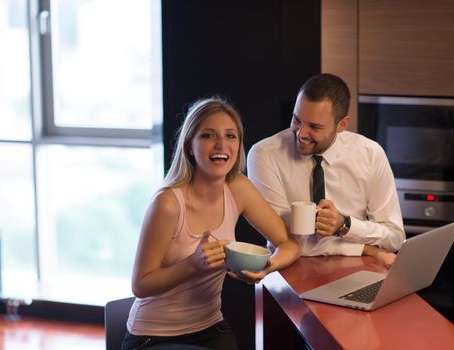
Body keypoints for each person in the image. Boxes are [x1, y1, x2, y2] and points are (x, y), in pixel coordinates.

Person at [122, 97, 300, 350]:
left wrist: (267, 267)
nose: (221, 145)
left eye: (231, 136)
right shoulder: (168, 203)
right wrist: (193, 264)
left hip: (210, 327)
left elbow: (288, 244)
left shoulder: (239, 189)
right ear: (190, 147)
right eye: (208, 135)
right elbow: (140, 284)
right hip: (153, 336)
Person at [247, 73, 405, 269]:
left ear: (342, 125)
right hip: (288, 272)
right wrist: (366, 248)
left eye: (314, 127)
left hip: (356, 272)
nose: (301, 133)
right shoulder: (264, 155)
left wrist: (344, 224)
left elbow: (395, 239)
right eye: (296, 119)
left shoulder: (370, 154)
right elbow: (291, 244)